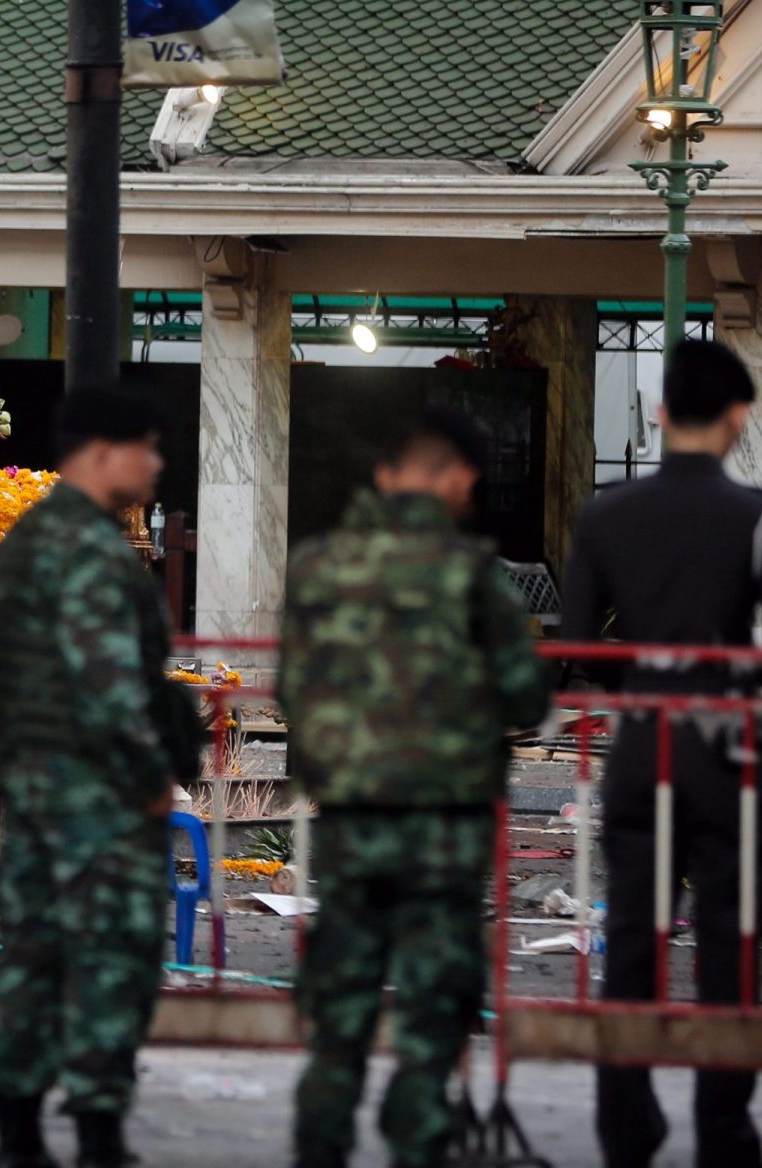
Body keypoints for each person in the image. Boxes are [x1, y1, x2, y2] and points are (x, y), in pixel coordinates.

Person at [281, 406, 550, 1168]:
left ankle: (320, 1147)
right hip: (445, 833)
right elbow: (528, 697)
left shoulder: (317, 566)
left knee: (340, 1014)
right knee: (432, 1021)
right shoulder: (472, 579)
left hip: (351, 824)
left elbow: (292, 691)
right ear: (461, 479)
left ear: (386, 475)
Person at [561, 338, 762, 1168]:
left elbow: (577, 644)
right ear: (739, 418)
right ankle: (725, 1133)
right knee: (728, 942)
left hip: (639, 752)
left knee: (633, 935)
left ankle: (626, 1125)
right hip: (728, 755)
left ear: (660, 415)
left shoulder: (604, 515)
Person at [0, 384, 202, 1168]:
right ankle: (98, 1129)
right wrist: (152, 772)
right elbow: (110, 685)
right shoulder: (91, 550)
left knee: (33, 958)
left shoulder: (30, 539)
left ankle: (17, 1133)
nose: (157, 465)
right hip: (100, 794)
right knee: (111, 959)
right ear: (103, 452)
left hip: (38, 787)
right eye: (147, 448)